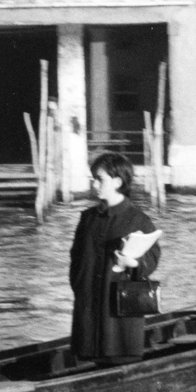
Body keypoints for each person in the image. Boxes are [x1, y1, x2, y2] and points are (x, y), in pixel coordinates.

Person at [69, 152, 163, 365]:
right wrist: (80, 287)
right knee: (86, 360)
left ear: (118, 182)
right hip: (88, 312)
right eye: (94, 178)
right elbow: (76, 261)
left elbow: (153, 258)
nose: (94, 185)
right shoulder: (87, 219)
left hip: (119, 316)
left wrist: (134, 264)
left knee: (119, 359)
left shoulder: (138, 219)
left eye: (100, 179)